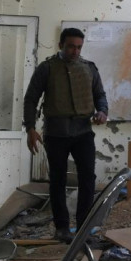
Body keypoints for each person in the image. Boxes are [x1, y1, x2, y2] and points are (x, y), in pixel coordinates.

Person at [23, 27, 108, 243]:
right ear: (61, 45)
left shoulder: (89, 68)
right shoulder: (47, 68)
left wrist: (102, 111)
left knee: (88, 178)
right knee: (58, 180)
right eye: (71, 46)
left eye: (79, 47)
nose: (75, 51)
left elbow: (100, 95)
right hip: (56, 134)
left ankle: (83, 227)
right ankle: (61, 228)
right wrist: (30, 128)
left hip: (83, 133)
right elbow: (31, 98)